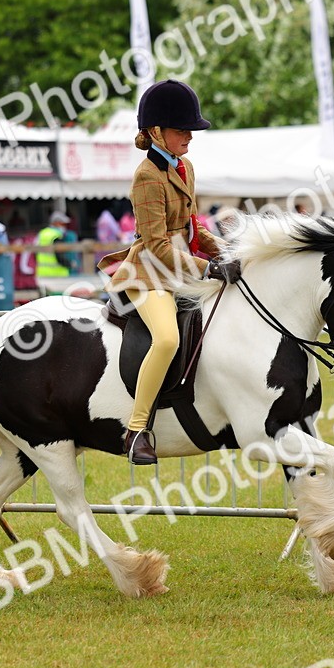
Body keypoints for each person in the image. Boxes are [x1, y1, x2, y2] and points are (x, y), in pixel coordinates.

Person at [97, 79, 236, 465]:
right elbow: (158, 245)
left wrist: (228, 252)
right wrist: (209, 267)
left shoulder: (185, 166)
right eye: (181, 130)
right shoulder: (147, 176)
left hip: (182, 264)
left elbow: (194, 227)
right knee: (166, 339)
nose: (189, 137)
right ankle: (137, 428)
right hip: (150, 272)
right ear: (156, 132)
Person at [35, 211, 73, 278]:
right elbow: (59, 256)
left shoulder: (42, 233)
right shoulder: (56, 235)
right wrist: (70, 264)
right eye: (63, 224)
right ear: (56, 223)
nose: (65, 226)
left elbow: (34, 252)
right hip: (58, 274)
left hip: (42, 273)